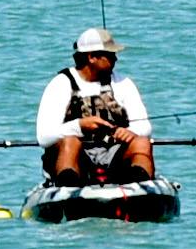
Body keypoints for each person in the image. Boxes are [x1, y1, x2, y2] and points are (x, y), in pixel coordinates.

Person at [39, 26, 153, 191]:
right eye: (110, 55)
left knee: (141, 142)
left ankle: (141, 189)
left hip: (115, 155)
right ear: (91, 57)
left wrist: (131, 131)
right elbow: (44, 137)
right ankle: (68, 191)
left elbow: (145, 126)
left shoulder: (123, 83)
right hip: (77, 158)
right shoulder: (61, 84)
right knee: (70, 142)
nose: (115, 60)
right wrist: (80, 126)